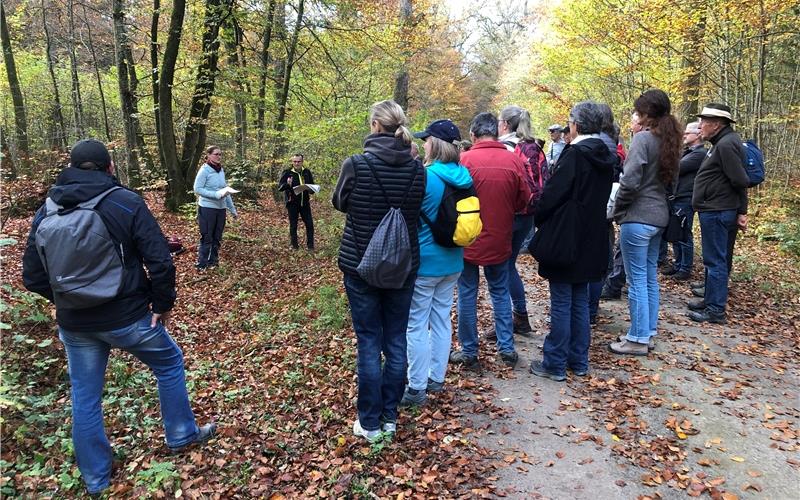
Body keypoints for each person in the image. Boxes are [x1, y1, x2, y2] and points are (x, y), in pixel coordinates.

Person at [22, 139, 216, 496]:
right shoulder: (125, 202)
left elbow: (32, 277)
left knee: (84, 395)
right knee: (169, 363)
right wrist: (161, 305)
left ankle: (96, 480)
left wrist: (65, 300)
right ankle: (181, 433)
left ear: (71, 167)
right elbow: (159, 259)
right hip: (128, 318)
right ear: (110, 167)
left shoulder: (47, 210)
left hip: (75, 325)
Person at [331, 100, 425, 441]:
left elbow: (340, 203)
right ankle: (389, 417)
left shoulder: (356, 164)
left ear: (374, 125)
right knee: (396, 339)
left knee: (369, 341)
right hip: (404, 266)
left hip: (361, 265)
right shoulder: (418, 169)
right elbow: (415, 210)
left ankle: (368, 422)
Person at [528, 102, 615, 381]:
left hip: (568, 237)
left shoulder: (574, 154)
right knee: (579, 300)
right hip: (593, 235)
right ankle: (578, 360)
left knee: (563, 300)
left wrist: (539, 215)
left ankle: (554, 362)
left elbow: (553, 194)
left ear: (576, 124)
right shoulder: (605, 155)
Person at [448, 112, 530, 370]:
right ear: (496, 133)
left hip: (468, 238)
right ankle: (506, 347)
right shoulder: (513, 160)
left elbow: (452, 200)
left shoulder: (465, 160)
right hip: (500, 238)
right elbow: (523, 200)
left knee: (467, 293)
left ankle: (469, 351)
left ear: (473, 135)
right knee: (499, 291)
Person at [400, 119, 473, 407]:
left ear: (435, 144)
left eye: (426, 139)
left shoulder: (426, 177)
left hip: (426, 263)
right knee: (442, 318)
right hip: (454, 260)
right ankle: (436, 379)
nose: (423, 143)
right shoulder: (464, 175)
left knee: (416, 323)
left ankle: (416, 387)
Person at [609, 89, 682, 356]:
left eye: (638, 111)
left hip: (638, 217)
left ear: (646, 114)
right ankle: (647, 331)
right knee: (649, 277)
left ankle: (637, 338)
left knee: (637, 279)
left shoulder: (643, 139)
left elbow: (629, 181)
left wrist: (618, 210)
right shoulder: (670, 141)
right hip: (659, 217)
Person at [687, 103, 749, 324]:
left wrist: (742, 210)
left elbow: (740, 180)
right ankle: (710, 300)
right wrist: (742, 210)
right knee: (714, 260)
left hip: (718, 210)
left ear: (717, 124)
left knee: (716, 261)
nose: (700, 126)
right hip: (716, 209)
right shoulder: (721, 142)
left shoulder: (725, 145)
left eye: (704, 121)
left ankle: (715, 310)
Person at [498, 105, 544, 335]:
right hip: (527, 215)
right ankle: (519, 316)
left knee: (502, 268)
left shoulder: (506, 148)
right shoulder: (534, 146)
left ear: (505, 124)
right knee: (509, 265)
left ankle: (509, 320)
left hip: (509, 214)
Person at [601, 111, 643, 299]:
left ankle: (613, 285)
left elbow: (629, 180)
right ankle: (613, 282)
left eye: (634, 121)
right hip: (643, 209)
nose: (630, 125)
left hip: (635, 209)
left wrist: (620, 208)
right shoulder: (660, 142)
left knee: (621, 251)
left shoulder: (640, 144)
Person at [661, 122, 706, 280]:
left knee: (684, 232)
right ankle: (678, 264)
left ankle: (685, 268)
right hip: (678, 197)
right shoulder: (688, 152)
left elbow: (676, 167)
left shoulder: (699, 154)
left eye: (687, 133)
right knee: (676, 230)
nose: (684, 136)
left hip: (687, 198)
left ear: (698, 135)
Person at [193, 146, 238, 270]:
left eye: (220, 154)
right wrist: (215, 195)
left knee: (217, 236)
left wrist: (232, 209)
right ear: (208, 155)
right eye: (216, 154)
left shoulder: (220, 170)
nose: (218, 156)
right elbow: (197, 189)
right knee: (207, 236)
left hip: (221, 208)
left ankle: (213, 262)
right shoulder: (204, 170)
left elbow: (225, 190)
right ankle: (202, 264)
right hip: (207, 208)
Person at [278, 153, 315, 250]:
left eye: (299, 161)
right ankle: (294, 246)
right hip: (292, 203)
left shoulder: (307, 172)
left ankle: (310, 247)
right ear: (292, 162)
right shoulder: (287, 172)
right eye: (295, 161)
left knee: (309, 224)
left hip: (305, 203)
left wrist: (310, 189)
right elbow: (280, 187)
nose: (297, 163)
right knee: (293, 225)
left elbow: (312, 188)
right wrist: (287, 184)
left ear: (302, 162)